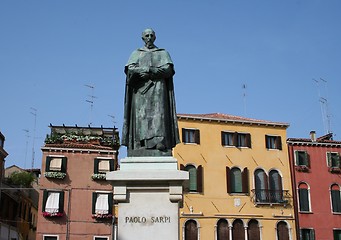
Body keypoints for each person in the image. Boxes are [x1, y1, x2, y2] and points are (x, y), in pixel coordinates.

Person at [122, 28, 180, 157]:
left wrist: (150, 71)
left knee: (158, 114)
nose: (149, 37)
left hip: (158, 88)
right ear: (142, 38)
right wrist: (141, 71)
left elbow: (168, 70)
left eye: (151, 35)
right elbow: (130, 69)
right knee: (141, 116)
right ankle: (140, 143)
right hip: (140, 90)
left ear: (155, 38)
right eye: (146, 35)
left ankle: (159, 142)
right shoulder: (136, 53)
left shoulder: (163, 53)